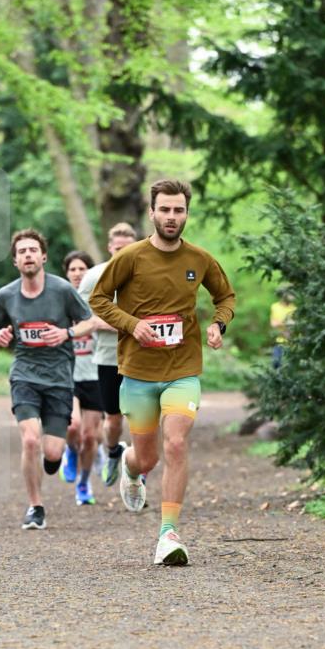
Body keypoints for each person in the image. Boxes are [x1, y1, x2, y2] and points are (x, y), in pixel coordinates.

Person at [90, 179, 236, 566]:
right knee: (148, 458)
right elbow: (99, 299)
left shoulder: (199, 259)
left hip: (183, 369)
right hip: (138, 371)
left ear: (187, 213)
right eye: (165, 210)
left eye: (179, 210)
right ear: (151, 212)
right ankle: (130, 466)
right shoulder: (131, 258)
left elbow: (225, 296)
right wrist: (131, 324)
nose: (172, 217)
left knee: (175, 443)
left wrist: (218, 325)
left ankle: (167, 534)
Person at [0, 228, 90, 529]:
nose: (27, 255)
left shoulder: (62, 290)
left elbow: (90, 321)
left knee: (52, 453)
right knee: (31, 440)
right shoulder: (6, 295)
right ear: (15, 261)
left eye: (32, 250)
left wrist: (66, 332)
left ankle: (56, 458)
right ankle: (35, 507)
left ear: (43, 256)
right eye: (21, 252)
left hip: (59, 379)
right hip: (25, 376)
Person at [78, 223, 137, 487]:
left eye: (127, 248)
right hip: (107, 358)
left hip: (142, 357)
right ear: (110, 248)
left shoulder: (146, 273)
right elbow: (81, 316)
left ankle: (138, 472)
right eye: (118, 249)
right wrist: (121, 324)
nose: (122, 253)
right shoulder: (94, 276)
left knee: (141, 419)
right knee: (113, 420)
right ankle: (113, 451)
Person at [59, 251, 104, 506]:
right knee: (72, 426)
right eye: (73, 269)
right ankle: (70, 452)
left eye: (82, 269)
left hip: (95, 375)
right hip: (68, 375)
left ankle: (84, 483)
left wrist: (97, 323)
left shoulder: (99, 301)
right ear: (67, 274)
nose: (77, 273)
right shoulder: (59, 301)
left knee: (90, 436)